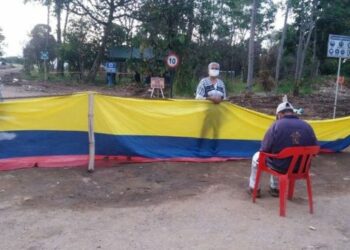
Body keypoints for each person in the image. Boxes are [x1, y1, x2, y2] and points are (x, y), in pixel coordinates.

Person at [248, 101, 318, 197]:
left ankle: (254, 189)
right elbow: (315, 149)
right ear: (292, 113)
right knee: (278, 156)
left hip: (281, 167)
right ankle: (275, 188)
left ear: (279, 114)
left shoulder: (276, 126)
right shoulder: (307, 126)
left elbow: (264, 149)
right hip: (301, 168)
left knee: (258, 157)